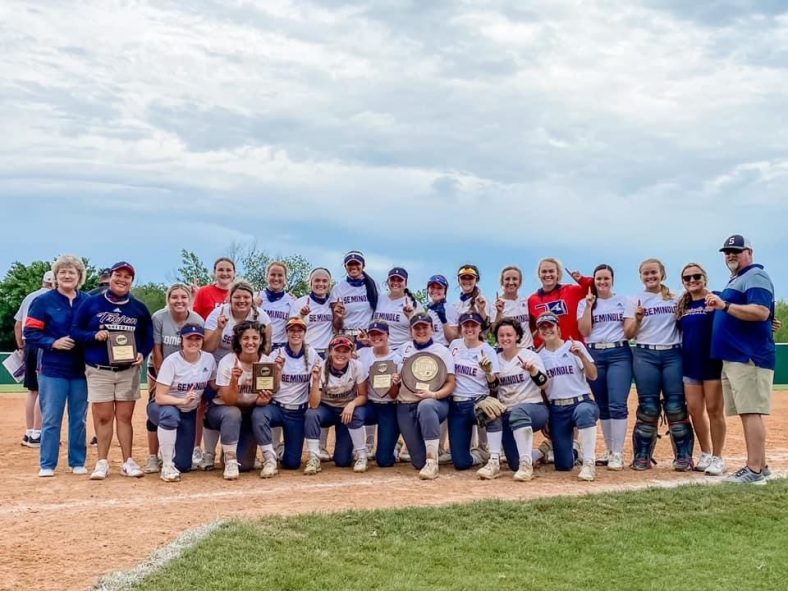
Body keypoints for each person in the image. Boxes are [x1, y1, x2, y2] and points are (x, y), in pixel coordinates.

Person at [71, 261, 154, 480]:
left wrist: (142, 354)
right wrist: (93, 336)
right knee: (104, 416)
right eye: (118, 275)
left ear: (131, 281)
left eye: (127, 276)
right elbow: (75, 331)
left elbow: (147, 338)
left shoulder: (138, 308)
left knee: (125, 417)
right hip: (99, 369)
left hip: (128, 369)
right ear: (111, 277)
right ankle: (102, 462)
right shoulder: (91, 304)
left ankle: (128, 461)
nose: (122, 279)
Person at [707, 235, 776, 485]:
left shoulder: (755, 276)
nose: (730, 255)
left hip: (749, 355)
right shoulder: (738, 279)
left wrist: (724, 306)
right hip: (735, 356)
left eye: (735, 251)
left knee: (751, 412)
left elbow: (761, 311)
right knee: (747, 412)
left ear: (749, 251)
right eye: (727, 252)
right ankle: (762, 466)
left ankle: (754, 471)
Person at [624, 259, 694, 471]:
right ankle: (642, 455)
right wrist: (637, 319)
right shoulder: (635, 299)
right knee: (648, 406)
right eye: (645, 273)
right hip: (645, 353)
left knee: (675, 405)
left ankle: (683, 456)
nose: (650, 276)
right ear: (641, 276)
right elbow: (628, 334)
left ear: (662, 273)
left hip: (673, 353)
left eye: (653, 272)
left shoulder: (677, 297)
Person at [23, 256, 89, 476]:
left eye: (72, 272)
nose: (67, 276)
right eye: (63, 272)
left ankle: (77, 461)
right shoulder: (43, 301)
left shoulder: (87, 301)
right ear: (56, 276)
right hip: (52, 368)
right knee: (51, 417)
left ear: (79, 276)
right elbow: (30, 333)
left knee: (78, 418)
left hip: (81, 369)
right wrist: (53, 343)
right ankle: (47, 464)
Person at [201, 281, 272, 469]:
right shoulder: (220, 314)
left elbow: (266, 347)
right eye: (237, 297)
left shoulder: (260, 316)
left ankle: (253, 454)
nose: (242, 300)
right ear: (229, 298)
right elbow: (207, 347)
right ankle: (209, 453)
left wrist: (258, 368)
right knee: (227, 410)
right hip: (221, 367)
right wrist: (219, 328)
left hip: (248, 365)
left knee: (246, 465)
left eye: (246, 297)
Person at [477, 318, 549, 481]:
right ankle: (496, 461)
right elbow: (494, 387)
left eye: (509, 334)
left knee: (518, 411)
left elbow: (544, 384)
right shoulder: (496, 358)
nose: (505, 338)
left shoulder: (529, 355)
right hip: (508, 412)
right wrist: (489, 373)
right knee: (491, 410)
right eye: (501, 335)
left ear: (517, 336)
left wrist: (532, 370)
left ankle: (527, 465)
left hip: (534, 408)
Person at [143, 284, 204, 474]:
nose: (179, 301)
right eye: (174, 297)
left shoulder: (196, 319)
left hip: (186, 371)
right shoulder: (159, 317)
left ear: (190, 299)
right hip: (161, 369)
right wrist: (163, 380)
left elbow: (198, 345)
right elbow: (157, 349)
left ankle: (185, 452)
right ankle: (154, 456)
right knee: (160, 409)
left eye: (184, 297)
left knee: (187, 409)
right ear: (168, 299)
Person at [577, 264, 632, 470]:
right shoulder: (586, 303)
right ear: (594, 281)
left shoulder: (623, 301)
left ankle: (618, 452)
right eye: (598, 279)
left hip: (619, 352)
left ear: (612, 280)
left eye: (606, 278)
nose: (602, 282)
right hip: (594, 352)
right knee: (602, 405)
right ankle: (610, 450)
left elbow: (628, 331)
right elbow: (584, 330)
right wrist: (590, 306)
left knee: (617, 404)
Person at [147, 324, 216, 482]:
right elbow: (160, 397)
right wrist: (182, 400)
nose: (193, 342)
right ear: (181, 341)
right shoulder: (172, 361)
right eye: (189, 338)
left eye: (197, 338)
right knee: (170, 416)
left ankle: (171, 455)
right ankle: (166, 465)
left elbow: (213, 386)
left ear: (202, 340)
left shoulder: (208, 359)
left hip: (188, 412)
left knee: (184, 465)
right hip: (163, 407)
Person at [253, 316, 320, 477]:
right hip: (277, 406)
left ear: (304, 333)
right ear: (287, 333)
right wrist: (277, 371)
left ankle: (283, 449)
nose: (296, 334)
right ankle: (270, 458)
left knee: (292, 464)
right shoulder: (277, 354)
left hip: (298, 411)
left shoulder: (312, 354)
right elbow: (267, 388)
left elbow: (315, 395)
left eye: (299, 330)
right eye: (292, 330)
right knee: (258, 414)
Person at [676, 263, 726, 476]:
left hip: (713, 363)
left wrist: (768, 323)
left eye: (696, 276)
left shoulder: (716, 298)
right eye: (687, 278)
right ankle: (705, 453)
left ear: (704, 277)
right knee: (695, 410)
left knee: (715, 410)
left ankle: (718, 456)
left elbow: (736, 317)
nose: (692, 280)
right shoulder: (683, 306)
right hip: (691, 363)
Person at [536, 312, 599, 481]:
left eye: (550, 326)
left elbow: (593, 375)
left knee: (585, 412)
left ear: (558, 328)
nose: (547, 330)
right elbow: (542, 390)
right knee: (563, 465)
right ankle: (574, 451)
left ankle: (589, 462)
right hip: (557, 408)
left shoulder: (573, 345)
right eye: (543, 328)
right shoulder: (539, 356)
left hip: (581, 401)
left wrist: (581, 356)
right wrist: (547, 416)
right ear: (539, 332)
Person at [396, 312, 456, 479]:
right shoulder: (403, 349)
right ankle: (425, 458)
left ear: (432, 329)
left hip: (434, 402)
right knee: (417, 462)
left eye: (425, 327)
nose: (421, 331)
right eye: (417, 328)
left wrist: (434, 395)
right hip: (406, 403)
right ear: (411, 330)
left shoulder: (442, 351)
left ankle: (433, 461)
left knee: (426, 405)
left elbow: (451, 383)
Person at [207, 321, 270, 480]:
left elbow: (266, 396)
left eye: (255, 338)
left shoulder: (266, 362)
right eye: (245, 338)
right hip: (224, 410)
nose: (250, 342)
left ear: (261, 340)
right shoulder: (228, 361)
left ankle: (262, 456)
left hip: (249, 412)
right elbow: (228, 400)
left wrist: (263, 400)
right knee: (233, 413)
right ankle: (230, 459)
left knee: (247, 466)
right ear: (239, 341)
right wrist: (234, 381)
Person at [303, 335, 369, 474]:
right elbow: (314, 404)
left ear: (351, 353)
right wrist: (315, 381)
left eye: (345, 351)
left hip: (345, 412)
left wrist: (352, 404)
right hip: (326, 409)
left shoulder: (356, 366)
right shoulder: (320, 367)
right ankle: (314, 457)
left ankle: (357, 452)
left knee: (343, 461)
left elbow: (363, 396)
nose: (341, 354)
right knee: (311, 414)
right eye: (337, 350)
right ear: (330, 351)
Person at [448, 312, 498, 470]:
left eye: (473, 325)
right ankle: (479, 455)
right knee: (460, 463)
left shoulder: (487, 350)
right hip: (457, 404)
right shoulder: (454, 345)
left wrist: (489, 373)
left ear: (480, 328)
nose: (470, 328)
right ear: (461, 327)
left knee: (493, 412)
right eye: (466, 325)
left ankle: (495, 452)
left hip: (478, 402)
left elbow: (495, 385)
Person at [15, 270, 55, 447]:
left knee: (32, 390)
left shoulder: (29, 297)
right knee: (45, 389)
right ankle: (38, 434)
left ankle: (29, 431)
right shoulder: (55, 297)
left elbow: (18, 325)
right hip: (45, 344)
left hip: (29, 344)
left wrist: (21, 347)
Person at [357, 321, 402, 467]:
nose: (376, 337)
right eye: (372, 334)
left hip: (389, 406)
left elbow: (395, 395)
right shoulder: (362, 353)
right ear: (368, 336)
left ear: (388, 335)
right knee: (353, 414)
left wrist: (394, 384)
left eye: (380, 334)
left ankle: (393, 447)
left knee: (383, 461)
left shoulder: (397, 359)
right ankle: (357, 450)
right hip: (369, 404)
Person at [528, 258, 593, 347]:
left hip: (573, 349)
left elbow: (598, 287)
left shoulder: (572, 291)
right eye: (544, 271)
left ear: (558, 273)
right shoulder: (532, 300)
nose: (547, 274)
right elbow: (530, 329)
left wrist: (582, 279)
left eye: (551, 271)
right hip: (547, 353)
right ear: (539, 274)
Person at [331, 250, 379, 341]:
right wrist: (339, 317)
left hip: (367, 335)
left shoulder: (373, 285)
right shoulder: (338, 288)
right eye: (350, 264)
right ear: (345, 266)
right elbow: (336, 325)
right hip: (346, 336)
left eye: (357, 263)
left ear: (363, 265)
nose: (353, 267)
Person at [372, 267, 420, 349]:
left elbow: (420, 331)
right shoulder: (378, 299)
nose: (395, 282)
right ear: (388, 281)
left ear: (406, 282)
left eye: (400, 280)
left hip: (402, 349)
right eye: (392, 279)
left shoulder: (414, 304)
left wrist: (410, 316)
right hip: (379, 349)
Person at [292, 268, 335, 356]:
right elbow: (290, 327)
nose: (321, 284)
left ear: (329, 284)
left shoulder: (332, 303)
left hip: (327, 352)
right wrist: (301, 314)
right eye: (317, 280)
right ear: (311, 283)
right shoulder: (300, 302)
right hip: (306, 351)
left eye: (324, 281)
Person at [449, 264, 494, 341]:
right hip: (460, 347)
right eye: (463, 278)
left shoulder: (481, 300)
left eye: (470, 278)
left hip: (478, 346)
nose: (467, 281)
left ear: (476, 280)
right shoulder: (455, 305)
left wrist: (481, 310)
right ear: (458, 280)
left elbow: (487, 328)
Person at [493, 266, 534, 349]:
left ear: (520, 282)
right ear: (502, 282)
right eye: (507, 279)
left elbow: (534, 325)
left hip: (527, 349)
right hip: (506, 350)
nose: (511, 282)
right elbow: (493, 331)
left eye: (514, 279)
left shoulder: (526, 301)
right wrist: (499, 312)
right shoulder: (496, 304)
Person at [258, 261, 297, 349]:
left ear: (285, 278)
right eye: (272, 274)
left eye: (280, 275)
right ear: (267, 277)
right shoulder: (257, 296)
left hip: (281, 347)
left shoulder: (291, 300)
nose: (276, 278)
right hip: (259, 346)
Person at [424, 274, 458, 346]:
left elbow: (453, 339)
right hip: (431, 349)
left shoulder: (450, 309)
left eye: (439, 288)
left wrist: (444, 320)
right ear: (428, 289)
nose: (435, 290)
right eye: (432, 287)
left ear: (445, 291)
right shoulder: (430, 310)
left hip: (445, 350)